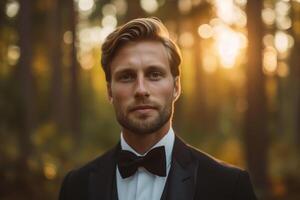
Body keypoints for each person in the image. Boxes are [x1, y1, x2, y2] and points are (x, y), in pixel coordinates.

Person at [59, 17, 257, 200]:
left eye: (154, 74)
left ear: (176, 87)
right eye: (126, 76)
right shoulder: (76, 187)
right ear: (110, 91)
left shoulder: (229, 186)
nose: (141, 90)